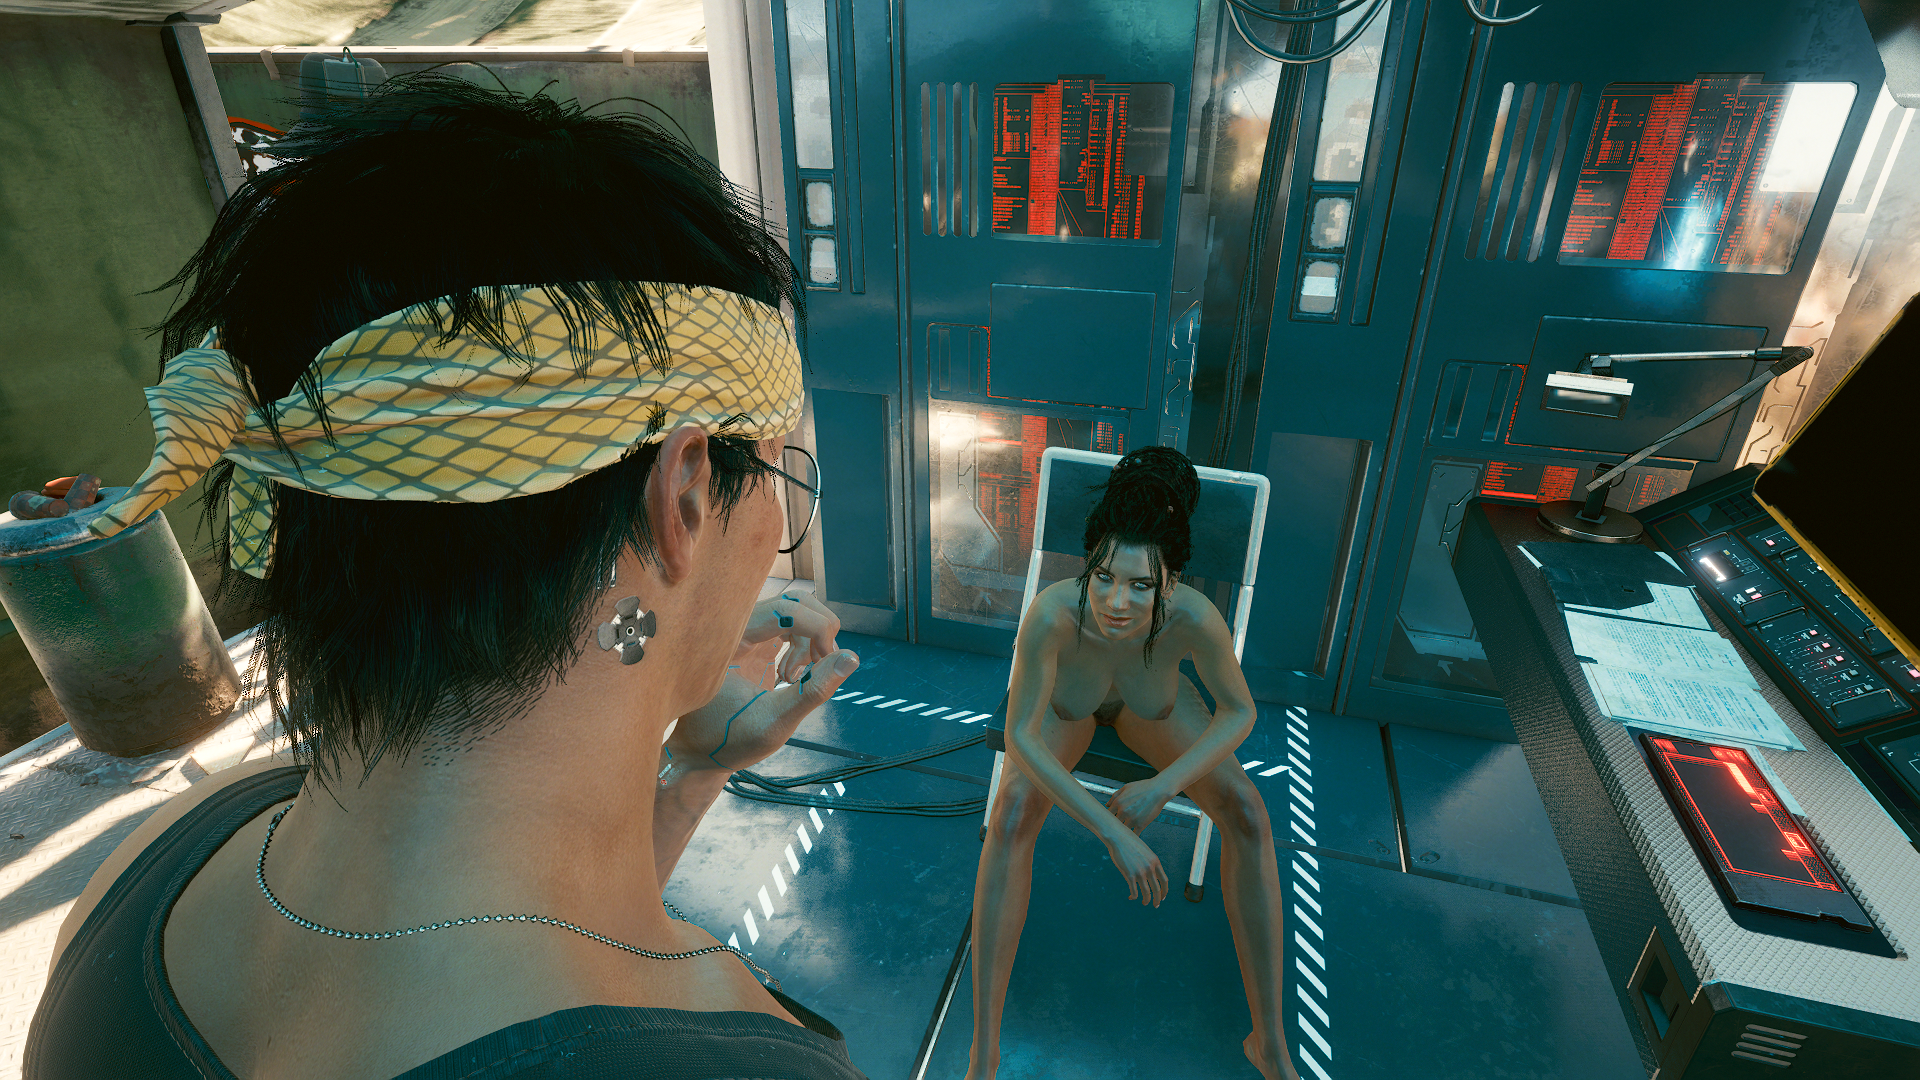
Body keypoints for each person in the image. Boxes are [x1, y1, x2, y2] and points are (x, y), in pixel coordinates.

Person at [24, 72, 870, 1080]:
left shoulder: (164, 858)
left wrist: (687, 769)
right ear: (683, 495)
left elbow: (532, 951)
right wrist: (656, 665)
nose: (773, 524)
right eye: (777, 466)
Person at [966, 446, 1300, 1080]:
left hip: (1152, 712)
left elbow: (1240, 712)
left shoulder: (1194, 618)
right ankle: (983, 1057)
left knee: (1249, 814)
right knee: (1009, 815)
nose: (1116, 601)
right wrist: (1113, 831)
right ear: (1088, 566)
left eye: (1141, 585)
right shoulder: (1053, 615)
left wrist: (1162, 787)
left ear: (1168, 582)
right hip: (1066, 710)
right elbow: (1022, 737)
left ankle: (1270, 1044)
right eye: (1103, 576)